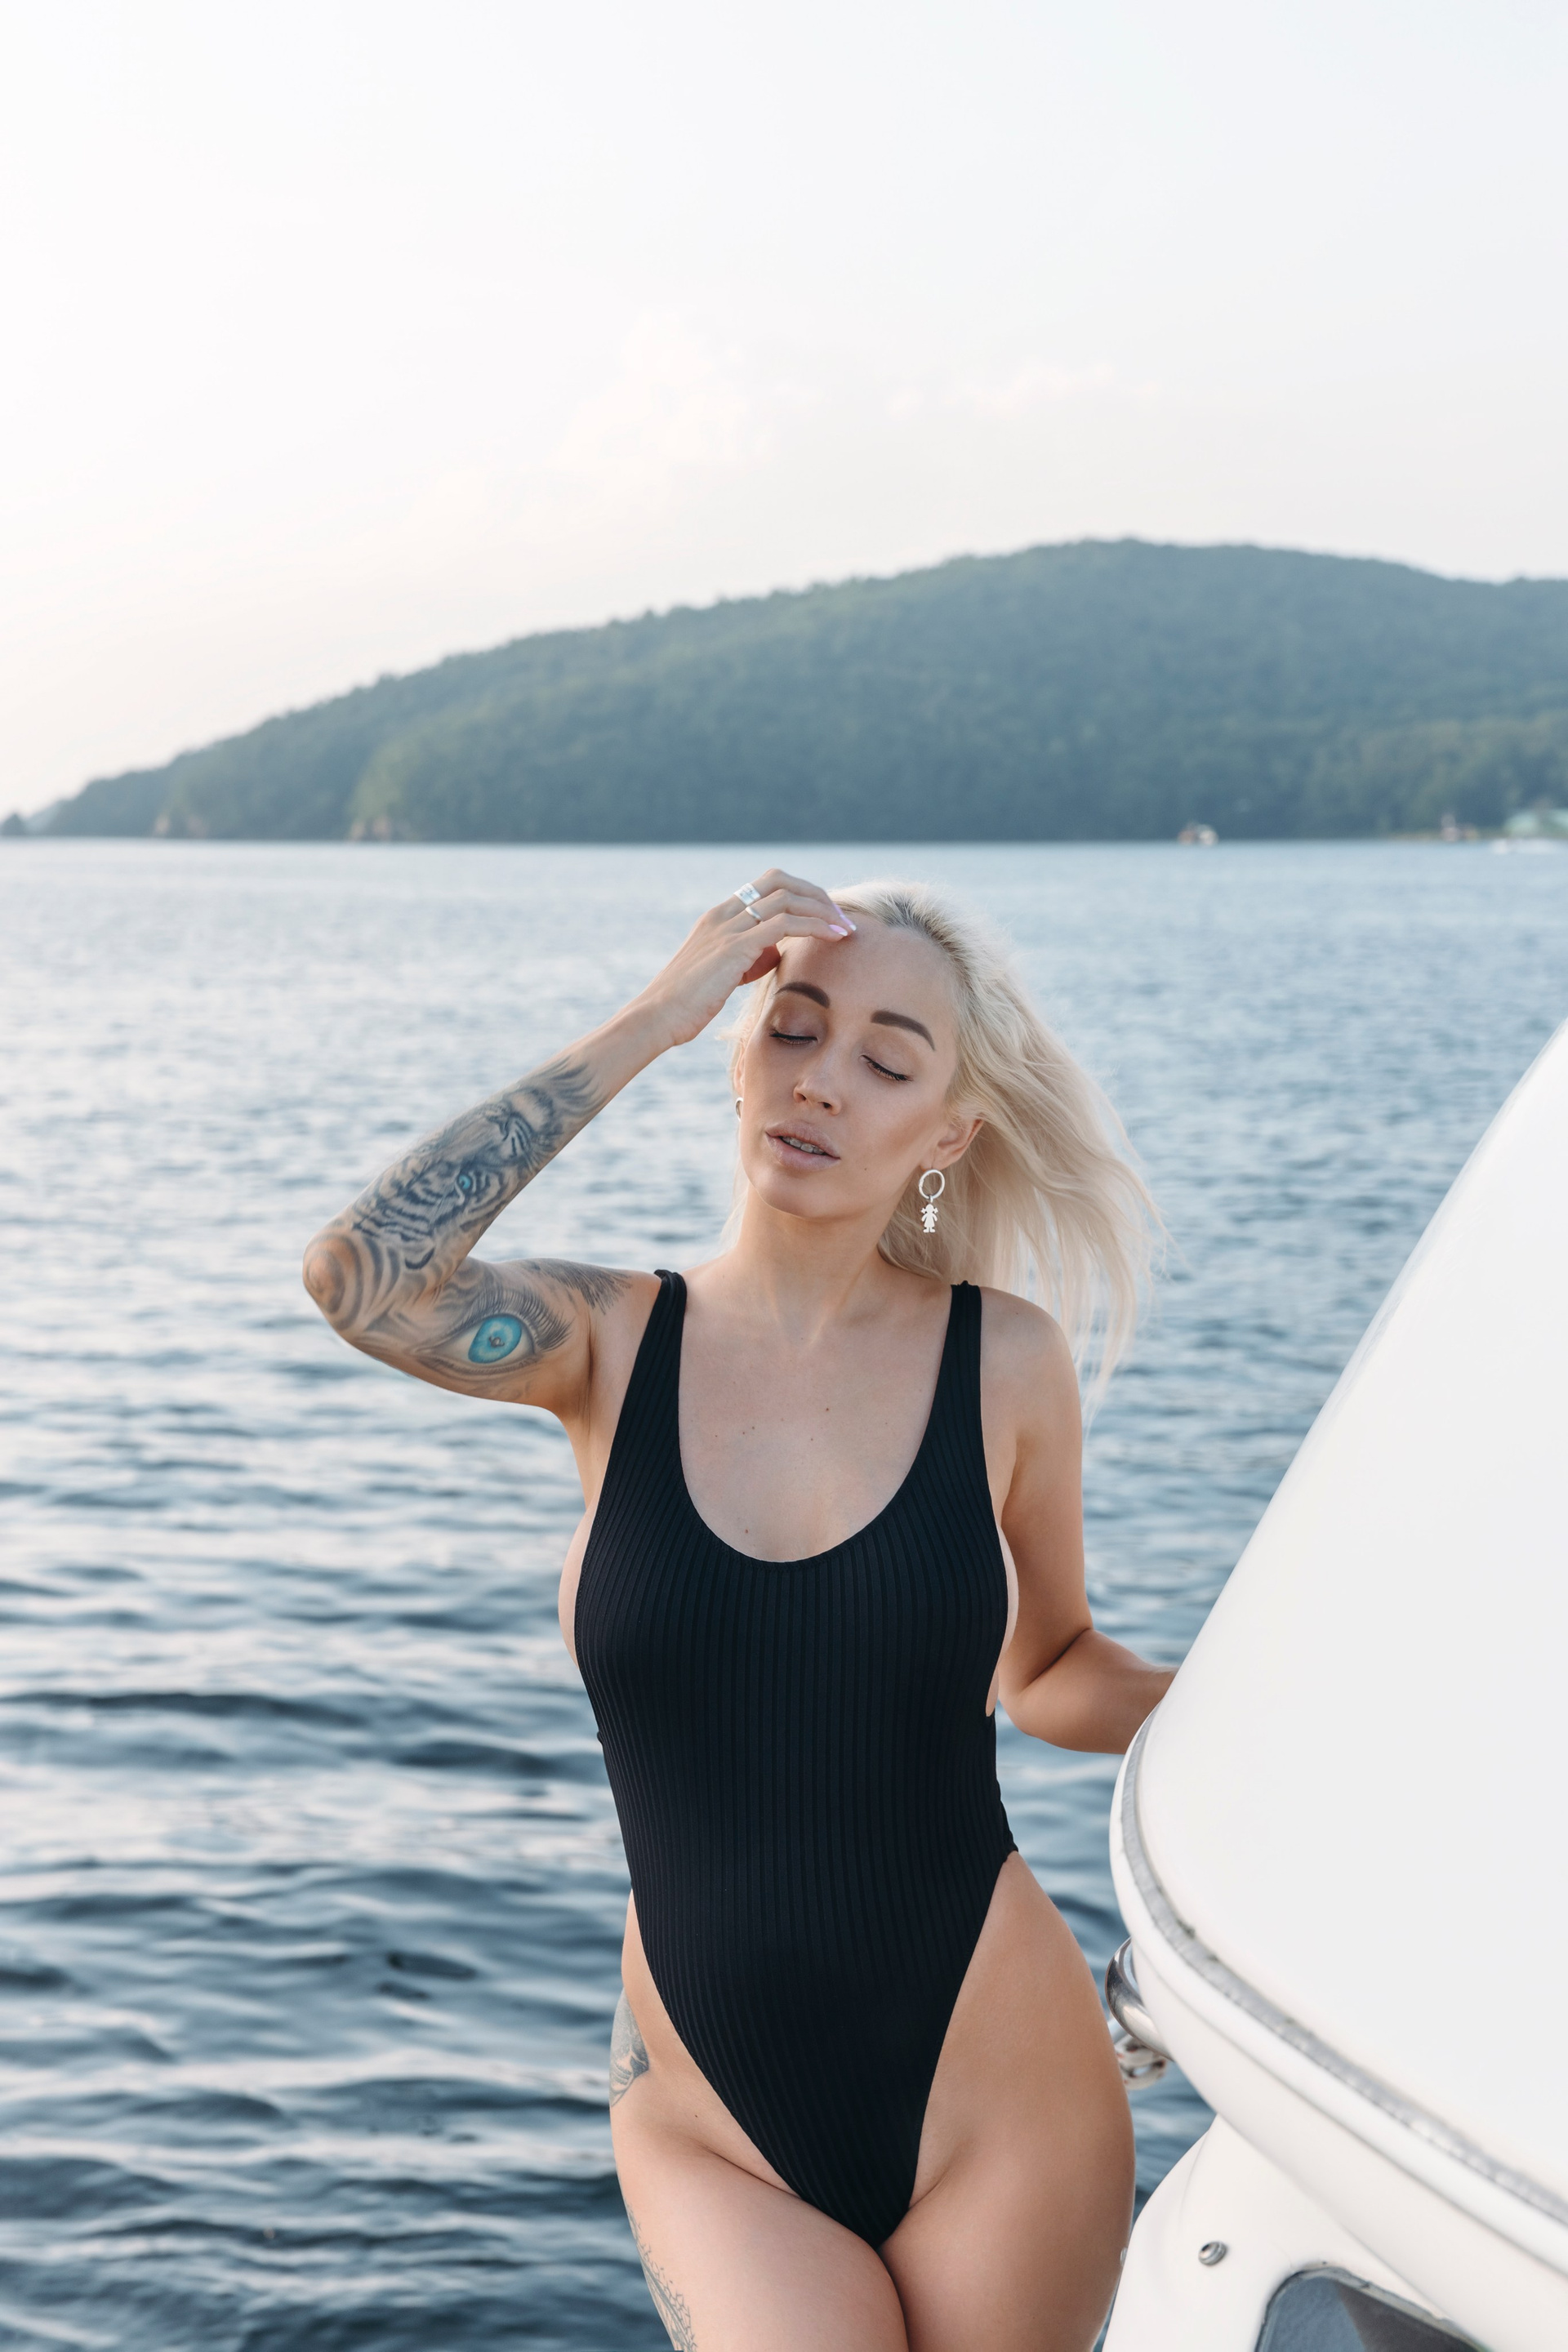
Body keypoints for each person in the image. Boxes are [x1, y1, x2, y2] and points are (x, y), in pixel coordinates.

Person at [303, 870, 1174, 2352]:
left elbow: (1051, 1671)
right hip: (713, 2120)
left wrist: (1266, 1703)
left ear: (949, 1134)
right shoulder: (605, 1343)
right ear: (737, 1053)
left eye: (888, 1061)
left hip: (1000, 2090)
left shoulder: (1005, 1364)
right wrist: (656, 1014)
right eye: (795, 1029)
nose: (823, 1080)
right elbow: (360, 1277)